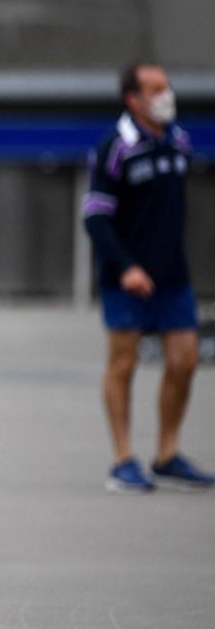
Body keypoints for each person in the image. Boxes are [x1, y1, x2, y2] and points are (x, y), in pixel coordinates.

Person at [82, 61, 213, 493]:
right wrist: (127, 266)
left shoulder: (178, 142)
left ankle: (167, 453)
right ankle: (123, 458)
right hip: (126, 277)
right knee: (124, 362)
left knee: (185, 360)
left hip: (172, 274)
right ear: (133, 99)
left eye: (167, 86)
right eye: (155, 89)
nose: (166, 95)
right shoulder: (116, 148)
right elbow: (96, 218)